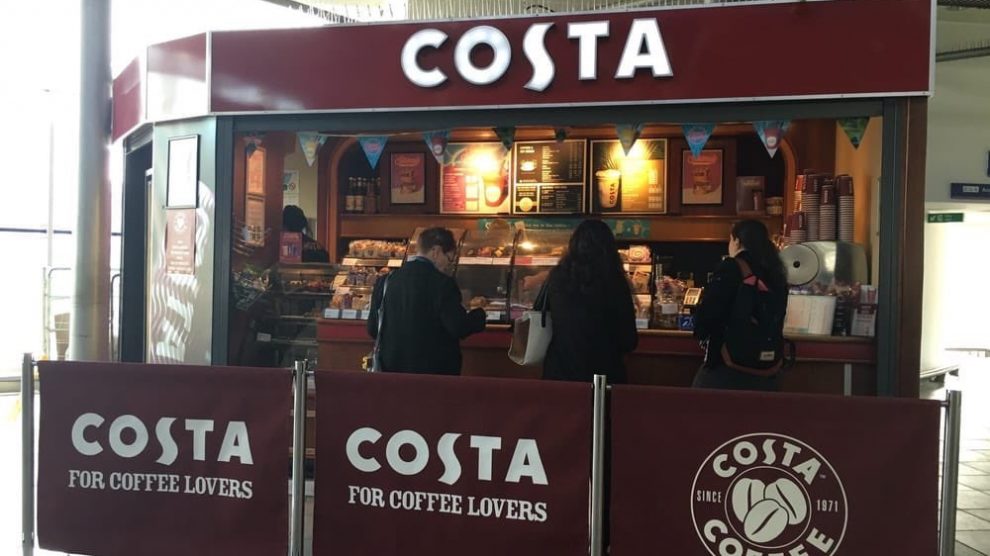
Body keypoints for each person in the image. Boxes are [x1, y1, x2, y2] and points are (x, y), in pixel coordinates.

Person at [366, 227, 486, 375]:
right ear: (436, 251)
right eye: (449, 259)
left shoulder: (386, 281)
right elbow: (458, 327)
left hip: (392, 370)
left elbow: (373, 328)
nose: (448, 265)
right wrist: (480, 315)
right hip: (434, 372)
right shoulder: (443, 284)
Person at [692, 219, 789, 391]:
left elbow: (710, 312)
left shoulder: (732, 267)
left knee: (698, 406)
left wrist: (701, 331)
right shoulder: (776, 271)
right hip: (769, 370)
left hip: (729, 368)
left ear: (736, 241)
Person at [542, 219, 638, 384]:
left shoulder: (558, 276)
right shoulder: (614, 281)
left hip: (560, 372)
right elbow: (628, 339)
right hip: (603, 375)